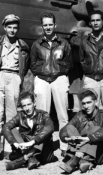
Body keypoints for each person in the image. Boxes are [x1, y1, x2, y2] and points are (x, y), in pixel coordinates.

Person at [71, 10, 103, 159]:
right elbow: (82, 60)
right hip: (90, 79)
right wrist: (89, 72)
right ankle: (92, 148)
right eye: (92, 21)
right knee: (90, 114)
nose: (95, 23)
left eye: (98, 20)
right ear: (90, 23)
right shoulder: (84, 41)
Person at [0, 14, 30, 164]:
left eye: (15, 27)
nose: (12, 30)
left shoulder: (23, 45)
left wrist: (19, 79)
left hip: (14, 77)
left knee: (11, 117)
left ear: (18, 29)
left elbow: (26, 65)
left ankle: (10, 150)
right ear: (4, 27)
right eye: (9, 27)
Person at [30, 12, 72, 156]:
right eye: (45, 25)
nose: (48, 27)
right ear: (42, 26)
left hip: (59, 79)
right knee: (42, 116)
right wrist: (42, 73)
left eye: (50, 24)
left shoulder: (64, 43)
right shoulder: (36, 44)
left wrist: (59, 72)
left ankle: (65, 147)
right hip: (42, 80)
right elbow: (32, 64)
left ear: (55, 25)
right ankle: (44, 147)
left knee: (63, 115)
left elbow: (69, 63)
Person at [59, 89, 103, 173]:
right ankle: (85, 161)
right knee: (70, 127)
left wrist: (88, 138)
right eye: (84, 103)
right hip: (81, 144)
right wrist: (67, 138)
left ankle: (75, 161)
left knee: (96, 129)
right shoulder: (80, 115)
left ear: (95, 102)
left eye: (89, 102)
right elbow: (66, 128)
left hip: (98, 150)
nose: (86, 106)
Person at [2, 91, 55, 171]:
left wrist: (33, 141)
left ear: (34, 103)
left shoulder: (43, 114)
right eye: (24, 106)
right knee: (12, 129)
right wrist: (14, 142)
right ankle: (31, 158)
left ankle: (24, 158)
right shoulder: (20, 115)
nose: (27, 108)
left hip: (43, 153)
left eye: (29, 104)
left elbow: (50, 127)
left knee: (44, 131)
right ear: (22, 107)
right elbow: (6, 127)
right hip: (25, 147)